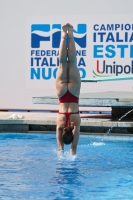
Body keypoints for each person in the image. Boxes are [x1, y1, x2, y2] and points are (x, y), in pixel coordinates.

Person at [56, 23, 81, 155]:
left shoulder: (75, 122)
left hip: (74, 93)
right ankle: (63, 36)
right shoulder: (60, 124)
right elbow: (62, 146)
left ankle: (70, 34)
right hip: (62, 95)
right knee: (62, 63)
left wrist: (72, 148)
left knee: (72, 62)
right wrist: (61, 148)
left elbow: (74, 148)